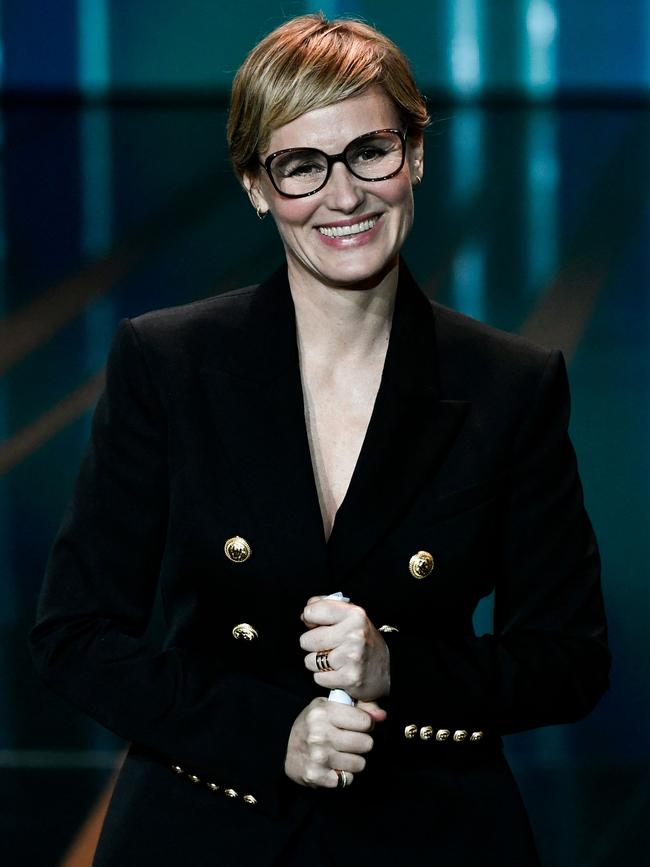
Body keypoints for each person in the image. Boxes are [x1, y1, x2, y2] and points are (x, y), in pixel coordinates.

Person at [30, 13, 610, 867]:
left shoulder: (511, 385)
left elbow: (569, 658)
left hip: (432, 834)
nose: (344, 196)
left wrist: (394, 671)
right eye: (301, 167)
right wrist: (275, 734)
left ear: (414, 154)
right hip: (207, 824)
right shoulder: (166, 364)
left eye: (369, 153)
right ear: (256, 186)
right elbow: (74, 635)